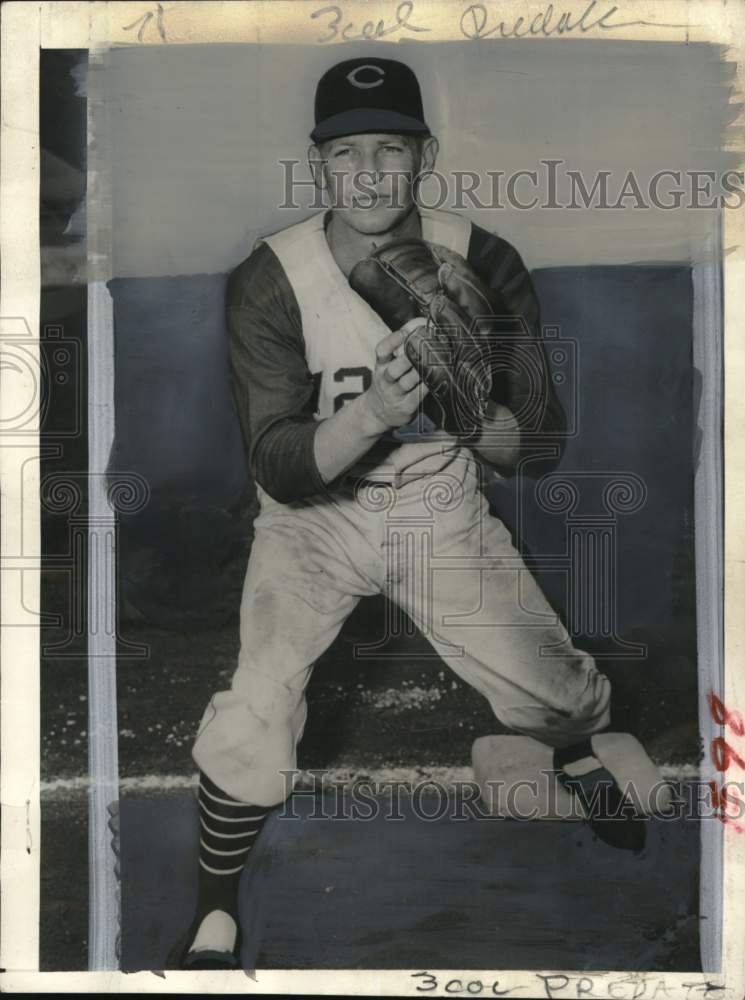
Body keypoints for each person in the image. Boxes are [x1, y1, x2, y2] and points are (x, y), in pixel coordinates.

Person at [171, 56, 633, 971]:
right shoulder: (269, 277)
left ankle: (576, 749)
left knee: (552, 688)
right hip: (313, 520)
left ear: (423, 156)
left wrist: (466, 402)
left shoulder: (484, 258)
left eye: (391, 148)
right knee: (256, 705)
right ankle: (214, 912)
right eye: (348, 154)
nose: (371, 172)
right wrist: (378, 409)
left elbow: (540, 449)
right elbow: (280, 465)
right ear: (320, 168)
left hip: (437, 501)